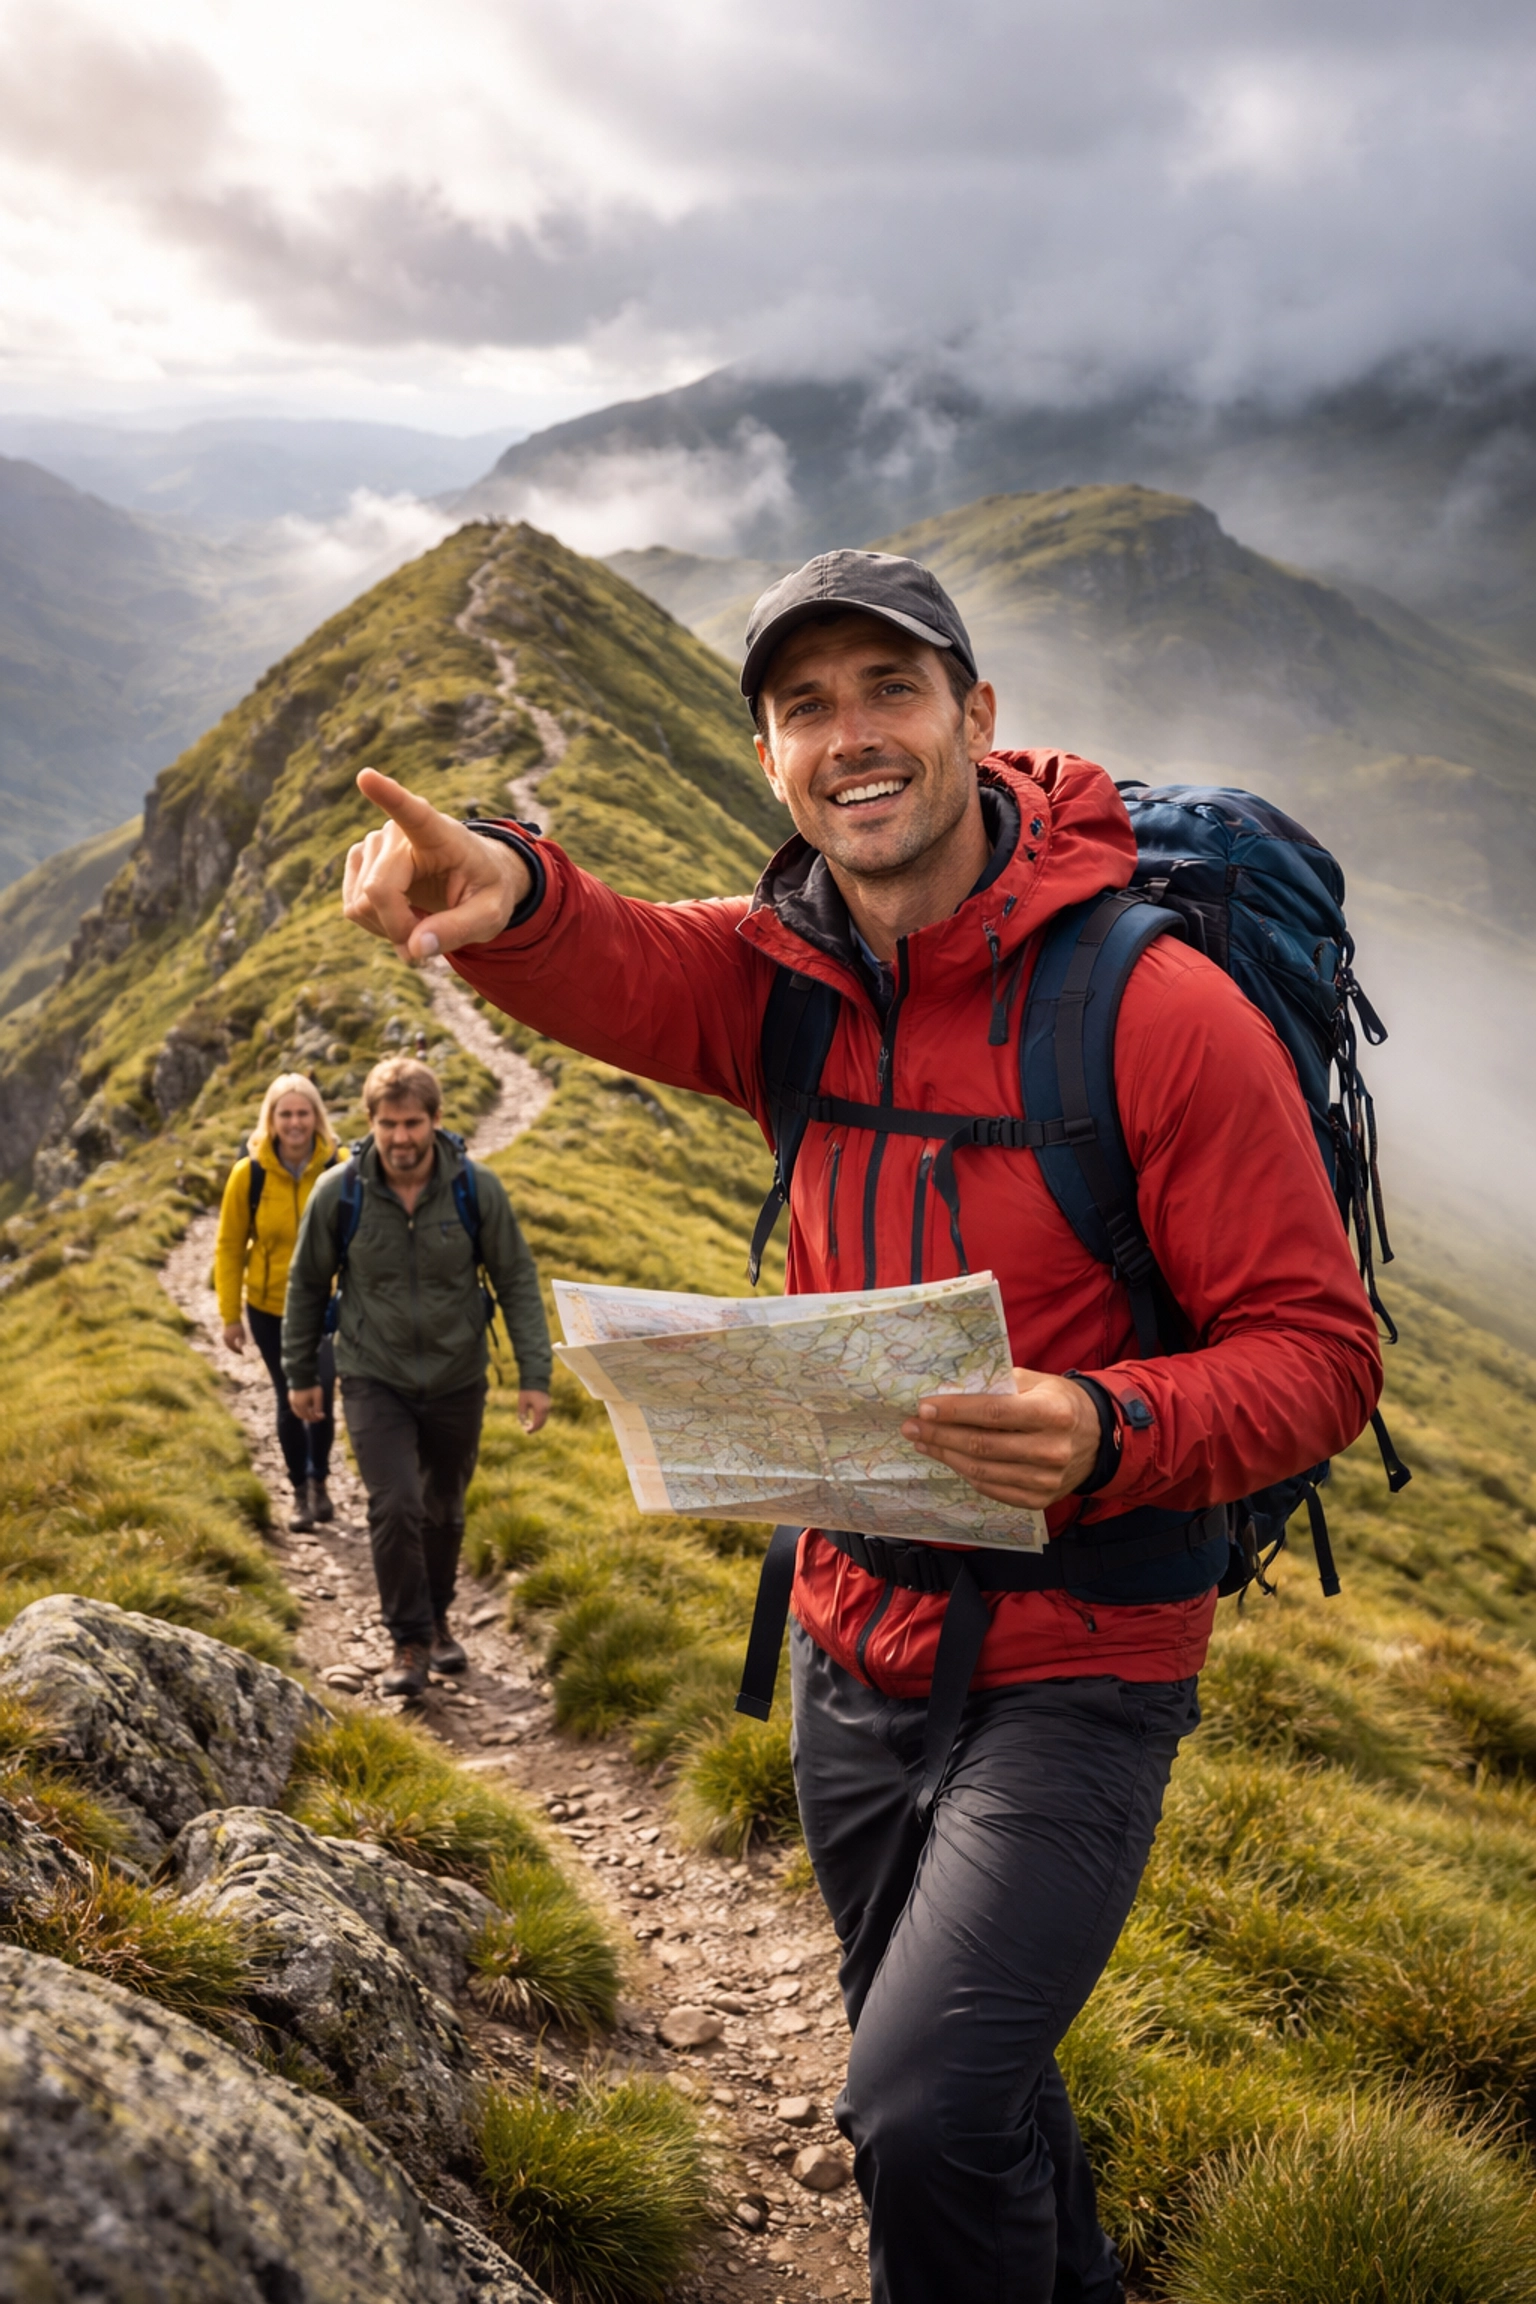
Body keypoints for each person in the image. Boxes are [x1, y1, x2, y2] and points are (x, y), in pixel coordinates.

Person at [338, 551, 1384, 2303]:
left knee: (909, 2107)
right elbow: (622, 964)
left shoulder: (1153, 1006)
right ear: (767, 759)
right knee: (976, 2087)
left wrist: (1109, 1421)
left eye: (890, 689)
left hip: (1080, 1659)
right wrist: (503, 879)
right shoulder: (793, 979)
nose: (852, 736)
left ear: (977, 719)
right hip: (848, 1641)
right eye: (803, 707)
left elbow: (1319, 1350)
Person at [282, 1055, 553, 1699]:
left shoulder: (474, 1188)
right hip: (374, 1375)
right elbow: (306, 1284)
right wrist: (300, 1373)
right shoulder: (339, 1193)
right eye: (388, 1124)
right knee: (395, 1503)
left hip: (459, 1376)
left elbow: (515, 1280)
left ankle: (436, 1619)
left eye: (412, 1123)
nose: (401, 1137)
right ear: (370, 1124)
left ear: (435, 1121)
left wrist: (534, 1375)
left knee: (443, 1509)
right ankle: (407, 1640)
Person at [215, 1072, 341, 1534]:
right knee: (289, 1398)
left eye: (302, 1112)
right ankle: (300, 1493)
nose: (294, 1122)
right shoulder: (247, 1175)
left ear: (316, 1117)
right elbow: (229, 1247)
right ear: (271, 1119)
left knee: (323, 1391)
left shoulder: (338, 1167)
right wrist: (230, 1316)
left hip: (326, 1307)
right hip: (269, 1308)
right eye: (285, 1113)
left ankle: (321, 1480)